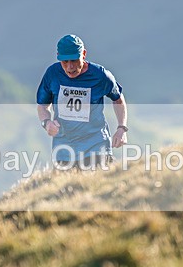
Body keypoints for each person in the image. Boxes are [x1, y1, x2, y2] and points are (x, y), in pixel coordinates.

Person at [36, 34, 128, 168]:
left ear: (83, 54)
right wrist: (46, 122)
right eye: (64, 61)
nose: (69, 67)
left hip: (96, 145)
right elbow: (42, 106)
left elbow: (118, 99)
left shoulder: (100, 75)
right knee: (68, 188)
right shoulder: (52, 74)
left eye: (74, 60)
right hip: (64, 148)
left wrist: (121, 128)